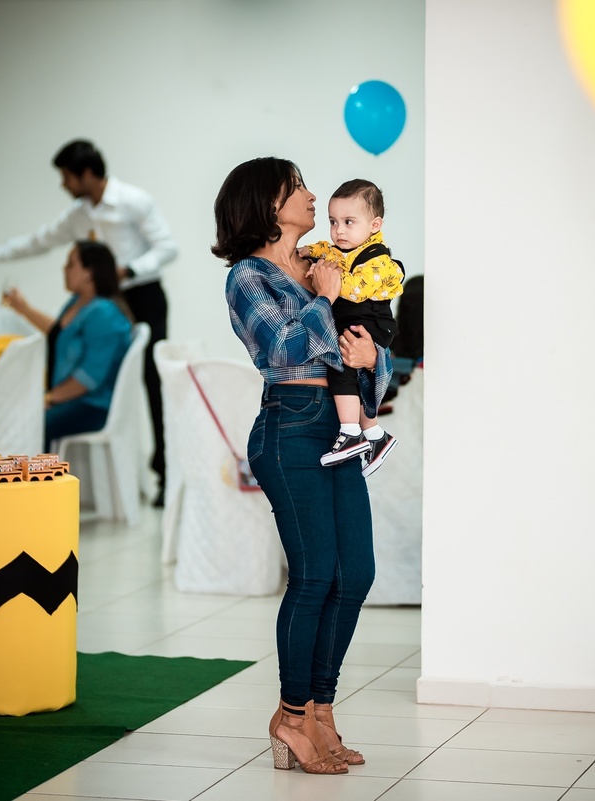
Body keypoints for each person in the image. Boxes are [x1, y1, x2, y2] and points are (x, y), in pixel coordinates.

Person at [214, 157, 391, 775]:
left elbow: (367, 351)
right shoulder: (248, 277)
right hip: (289, 427)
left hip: (338, 426)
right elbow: (285, 349)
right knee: (315, 575)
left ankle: (320, 708)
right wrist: (323, 299)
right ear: (268, 204)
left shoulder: (326, 262)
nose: (313, 196)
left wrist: (371, 360)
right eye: (297, 188)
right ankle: (292, 718)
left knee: (356, 572)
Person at [0, 139, 175, 504]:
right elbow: (38, 241)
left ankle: (164, 475)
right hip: (102, 297)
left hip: (141, 293)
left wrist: (129, 271)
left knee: (153, 385)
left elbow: (168, 247)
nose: (63, 184)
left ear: (86, 173)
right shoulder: (79, 214)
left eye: (67, 177)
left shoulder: (133, 201)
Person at [299, 180, 404, 477]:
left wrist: (325, 277)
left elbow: (356, 290)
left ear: (374, 225)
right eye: (333, 222)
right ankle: (375, 436)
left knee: (341, 366)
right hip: (354, 321)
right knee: (351, 373)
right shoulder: (341, 250)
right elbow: (324, 248)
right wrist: (308, 251)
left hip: (372, 323)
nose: (339, 231)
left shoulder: (380, 261)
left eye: (348, 222)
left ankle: (350, 431)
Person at [2, 241, 133, 450]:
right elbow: (60, 332)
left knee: (33, 425)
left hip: (92, 405)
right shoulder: (78, 303)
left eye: (71, 264)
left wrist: (49, 398)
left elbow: (89, 378)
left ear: (89, 273)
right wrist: (24, 309)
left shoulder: (104, 313)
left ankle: (40, 472)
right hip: (71, 398)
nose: (64, 269)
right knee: (15, 415)